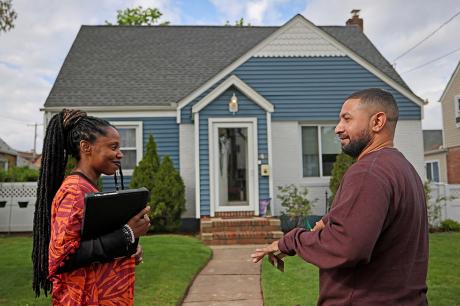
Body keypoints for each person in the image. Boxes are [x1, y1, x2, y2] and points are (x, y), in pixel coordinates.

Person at [252, 88, 428, 305]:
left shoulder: (368, 171)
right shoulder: (403, 168)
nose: (338, 128)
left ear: (377, 122)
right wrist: (331, 222)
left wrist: (291, 241)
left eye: (347, 119)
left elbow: (346, 246)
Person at [32, 109, 151, 305]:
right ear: (86, 147)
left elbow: (94, 239)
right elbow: (62, 258)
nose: (120, 154)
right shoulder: (74, 192)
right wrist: (127, 234)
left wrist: (129, 247)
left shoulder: (87, 188)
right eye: (113, 147)